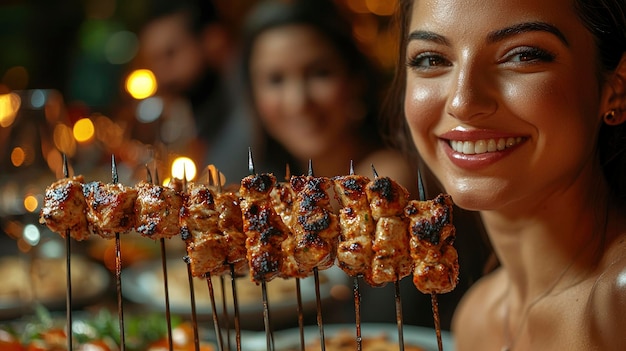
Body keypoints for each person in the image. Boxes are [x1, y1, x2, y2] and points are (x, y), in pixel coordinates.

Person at [387, 0, 626, 349]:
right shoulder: (476, 317)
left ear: (617, 88)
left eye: (522, 55)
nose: (463, 102)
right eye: (431, 59)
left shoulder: (618, 303)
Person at [240, 0, 416, 192]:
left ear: (355, 79)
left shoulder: (386, 181)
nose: (297, 102)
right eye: (275, 80)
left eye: (319, 74)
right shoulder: (270, 189)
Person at [135, 0, 255, 183]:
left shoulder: (254, 107)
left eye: (170, 54)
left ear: (213, 41)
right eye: (154, 60)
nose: (162, 75)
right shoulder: (203, 108)